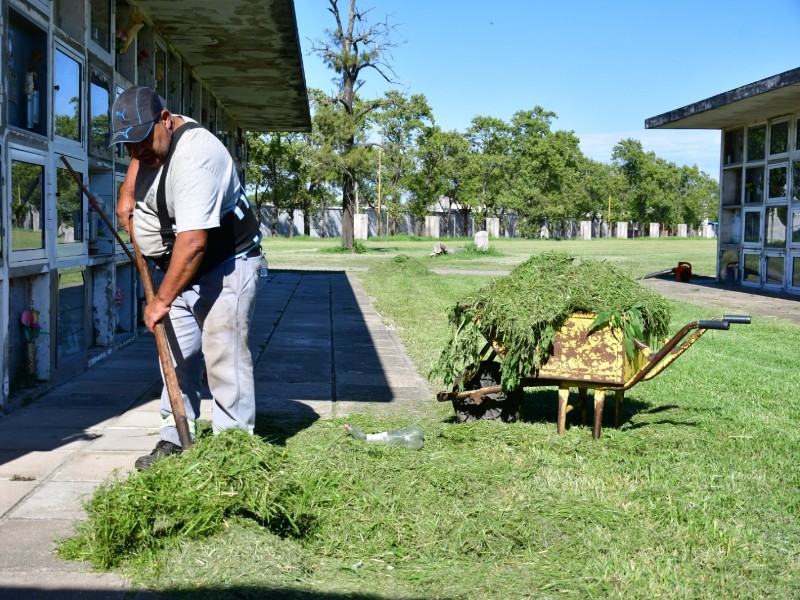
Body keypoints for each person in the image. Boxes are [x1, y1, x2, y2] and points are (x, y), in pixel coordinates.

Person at [110, 86, 263, 469]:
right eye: (129, 146)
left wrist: (160, 301)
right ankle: (175, 437)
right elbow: (141, 153)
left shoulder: (196, 158)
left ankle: (232, 451)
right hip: (179, 266)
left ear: (166, 121)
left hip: (225, 261)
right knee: (176, 355)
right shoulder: (152, 140)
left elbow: (193, 244)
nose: (137, 152)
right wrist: (128, 191)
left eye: (143, 141)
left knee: (223, 352)